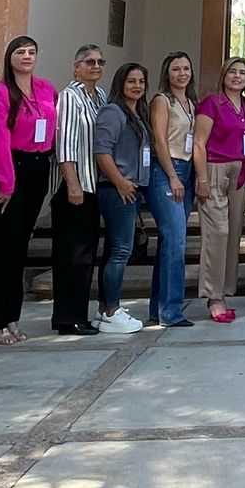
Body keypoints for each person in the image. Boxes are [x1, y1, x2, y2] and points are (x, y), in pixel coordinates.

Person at [0, 35, 57, 346]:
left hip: (38, 168)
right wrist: (6, 183)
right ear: (9, 57)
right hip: (9, 171)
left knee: (21, 245)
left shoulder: (46, 88)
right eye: (20, 52)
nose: (26, 56)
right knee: (6, 246)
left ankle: (12, 315)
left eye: (31, 52)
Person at [92, 62, 153, 334]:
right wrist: (120, 182)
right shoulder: (113, 112)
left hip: (131, 189)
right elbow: (101, 151)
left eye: (141, 81)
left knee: (115, 250)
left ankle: (105, 307)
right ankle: (111, 310)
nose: (137, 86)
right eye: (131, 81)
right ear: (121, 83)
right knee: (120, 251)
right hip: (116, 190)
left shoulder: (136, 114)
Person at [51, 44, 105, 336]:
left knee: (85, 256)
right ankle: (67, 317)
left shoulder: (100, 96)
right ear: (76, 67)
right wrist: (72, 183)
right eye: (88, 62)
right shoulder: (70, 97)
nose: (95, 66)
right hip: (76, 188)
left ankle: (78, 315)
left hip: (94, 187)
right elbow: (65, 142)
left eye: (99, 61)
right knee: (71, 256)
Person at [194, 56, 245, 323]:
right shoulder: (211, 103)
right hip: (215, 168)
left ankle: (225, 291)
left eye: (242, 72)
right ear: (223, 75)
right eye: (232, 71)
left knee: (234, 233)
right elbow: (198, 143)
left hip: (240, 171)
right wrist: (203, 179)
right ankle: (213, 296)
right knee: (218, 232)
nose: (237, 76)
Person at [148, 51, 199, 326]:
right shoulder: (161, 100)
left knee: (170, 243)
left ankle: (159, 309)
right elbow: (159, 140)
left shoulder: (191, 102)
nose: (182, 73)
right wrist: (172, 176)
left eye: (186, 68)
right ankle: (171, 311)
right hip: (167, 171)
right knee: (176, 241)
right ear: (167, 73)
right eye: (176, 69)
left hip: (188, 171)